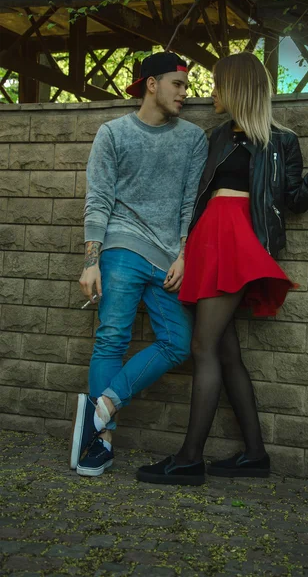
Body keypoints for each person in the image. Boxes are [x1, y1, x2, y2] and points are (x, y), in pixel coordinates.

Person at [136, 52, 308, 486]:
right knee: (226, 352)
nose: (210, 93)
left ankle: (190, 458)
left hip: (237, 246)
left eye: (217, 85)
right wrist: (181, 250)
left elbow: (296, 201)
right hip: (207, 244)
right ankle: (254, 454)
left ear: (236, 87)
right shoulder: (214, 136)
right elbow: (195, 197)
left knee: (203, 347)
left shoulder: (281, 141)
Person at [69, 52, 208, 477]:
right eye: (178, 85)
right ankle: (102, 444)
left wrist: (184, 255)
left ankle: (103, 405)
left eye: (186, 86)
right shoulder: (113, 134)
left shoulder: (193, 139)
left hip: (168, 258)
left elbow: (191, 203)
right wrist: (91, 261)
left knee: (179, 343)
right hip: (122, 248)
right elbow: (99, 201)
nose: (186, 94)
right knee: (112, 338)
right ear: (151, 84)